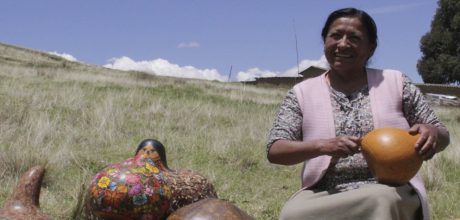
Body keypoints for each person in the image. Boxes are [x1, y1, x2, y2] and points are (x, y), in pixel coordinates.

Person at [266, 7, 450, 220]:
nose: (343, 44)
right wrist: (323, 146)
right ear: (325, 40)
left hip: (391, 188)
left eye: (354, 38)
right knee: (292, 213)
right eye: (335, 36)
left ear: (371, 48)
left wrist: (433, 134)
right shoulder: (302, 93)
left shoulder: (396, 83)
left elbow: (443, 135)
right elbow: (275, 150)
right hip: (323, 193)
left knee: (379, 200)